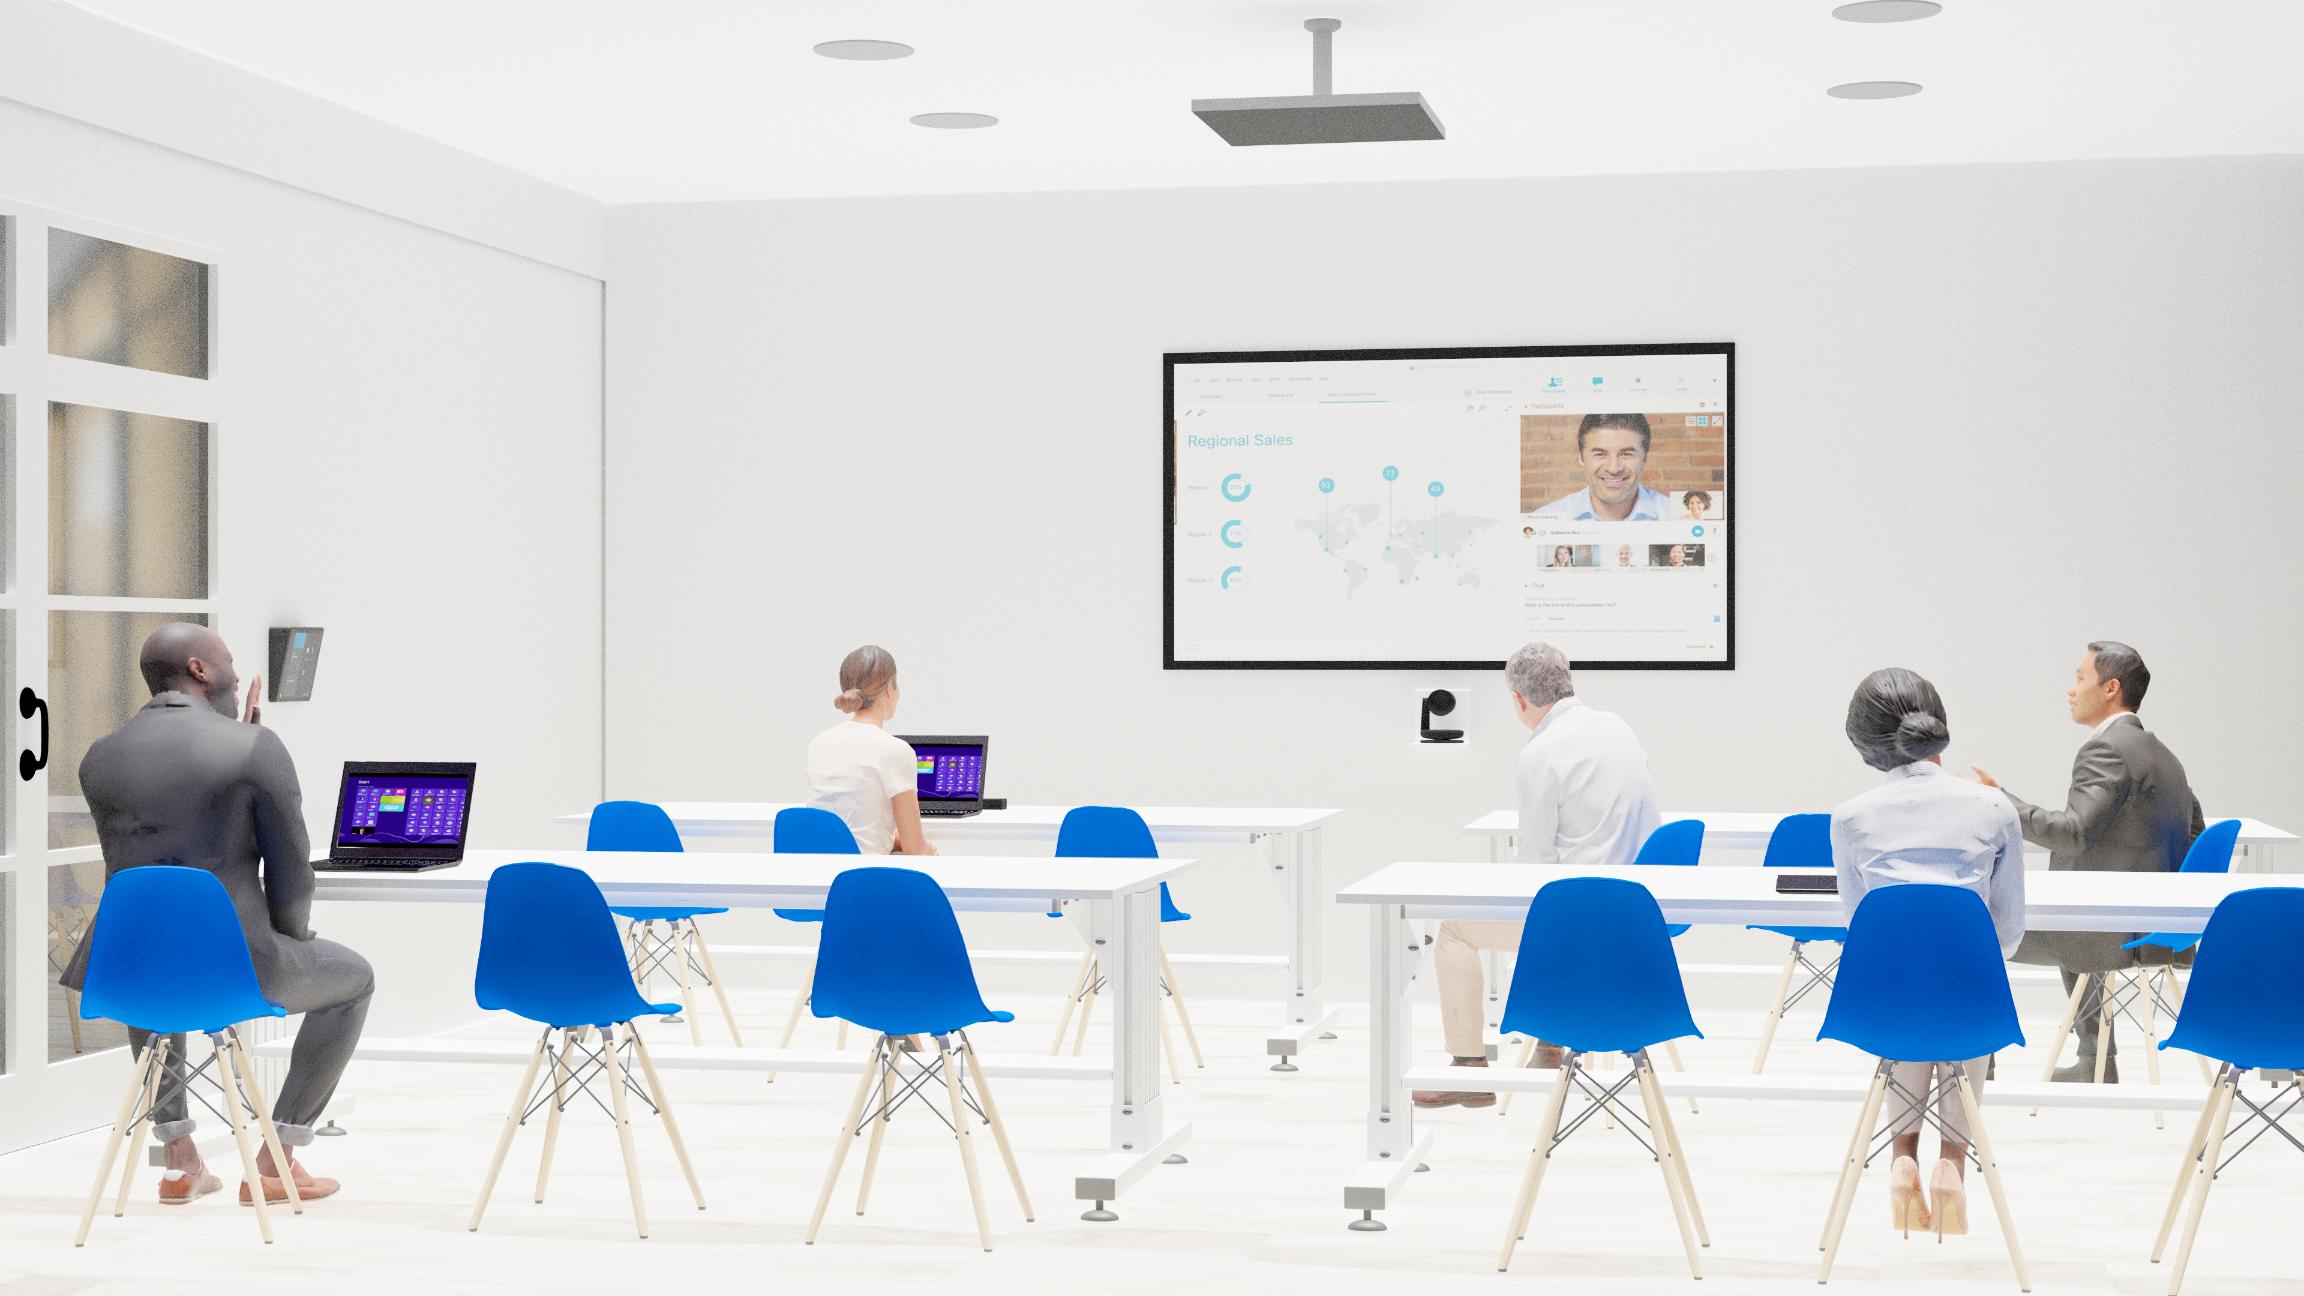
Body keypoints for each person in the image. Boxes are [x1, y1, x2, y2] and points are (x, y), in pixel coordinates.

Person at [58, 623, 367, 1206]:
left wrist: (238, 739)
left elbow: (159, 851)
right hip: (238, 968)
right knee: (354, 982)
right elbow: (293, 873)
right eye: (226, 658)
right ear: (200, 670)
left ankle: (179, 1161)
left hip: (124, 966)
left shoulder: (99, 756)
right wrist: (291, 938)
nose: (233, 665)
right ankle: (278, 1161)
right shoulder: (255, 747)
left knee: (159, 971)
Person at [1413, 642, 1662, 1109]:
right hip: (1637, 912)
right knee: (1549, 902)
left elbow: (1533, 867)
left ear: (1519, 700)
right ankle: (1547, 1048)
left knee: (1454, 928)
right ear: (1568, 681)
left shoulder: (1541, 754)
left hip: (1579, 921)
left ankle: (1469, 1070)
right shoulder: (1617, 727)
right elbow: (1651, 825)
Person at [1833, 667, 2025, 1237]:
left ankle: (1900, 1158)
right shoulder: (1994, 809)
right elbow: (2008, 936)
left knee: (1907, 993)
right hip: (1973, 1003)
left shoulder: (1850, 819)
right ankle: (1952, 1165)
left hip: (1885, 1006)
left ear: (1866, 745)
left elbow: (1860, 929)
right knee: (1958, 993)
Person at [1974, 641, 2202, 1082]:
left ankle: (1975, 1057)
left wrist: (2000, 803)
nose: (2070, 690)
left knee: (1976, 925)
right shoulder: (2165, 755)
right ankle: (2096, 1059)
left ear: (2111, 688)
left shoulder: (2106, 750)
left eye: (2080, 678)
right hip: (2157, 930)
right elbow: (2194, 830)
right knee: (2071, 911)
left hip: (2112, 932)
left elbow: (2074, 833)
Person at [805, 644, 936, 857]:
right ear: (888, 689)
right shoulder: (895, 750)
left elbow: (846, 829)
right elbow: (916, 849)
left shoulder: (819, 742)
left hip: (818, 873)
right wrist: (928, 851)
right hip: (867, 878)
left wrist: (892, 841)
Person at [1531, 413, 1672, 521]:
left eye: (1626, 454)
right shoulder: (1546, 519)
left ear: (1645, 457)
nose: (1614, 468)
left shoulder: (1675, 517)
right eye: (1600, 454)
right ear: (1581, 458)